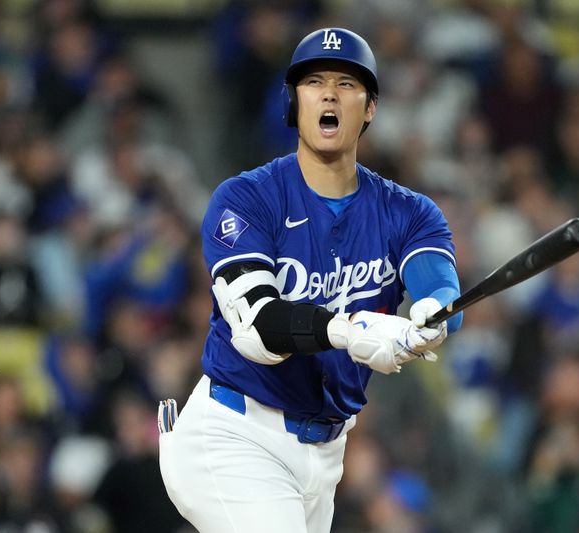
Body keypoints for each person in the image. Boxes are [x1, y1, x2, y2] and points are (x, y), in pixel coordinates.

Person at [158, 27, 463, 533]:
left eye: (347, 83)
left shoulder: (409, 212)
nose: (328, 93)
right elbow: (257, 329)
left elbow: (439, 286)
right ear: (292, 103)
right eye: (314, 81)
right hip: (235, 432)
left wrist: (432, 316)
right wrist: (352, 330)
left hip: (325, 454)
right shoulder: (246, 199)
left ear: (369, 108)